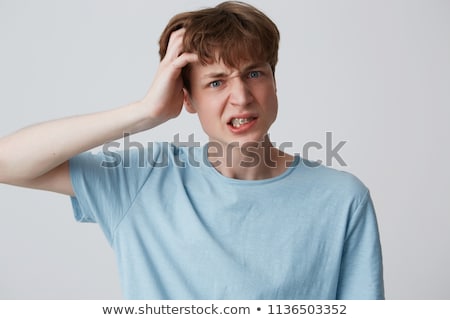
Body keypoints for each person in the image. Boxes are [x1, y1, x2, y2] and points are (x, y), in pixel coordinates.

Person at [0, 1, 384, 299]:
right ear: (187, 99)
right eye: (216, 82)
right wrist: (143, 113)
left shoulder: (341, 199)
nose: (241, 97)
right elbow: (7, 162)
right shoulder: (143, 180)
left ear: (273, 81)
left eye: (254, 73)